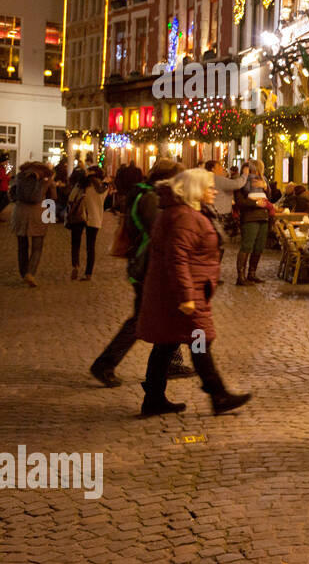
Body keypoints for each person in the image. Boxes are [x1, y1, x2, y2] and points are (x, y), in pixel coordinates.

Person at [136, 168, 251, 417]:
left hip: (179, 291)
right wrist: (186, 296)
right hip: (183, 294)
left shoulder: (184, 212)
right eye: (208, 187)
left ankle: (153, 398)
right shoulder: (185, 217)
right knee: (200, 341)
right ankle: (218, 394)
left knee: (166, 344)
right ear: (195, 190)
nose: (213, 190)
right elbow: (177, 259)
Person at [91, 160, 189, 387]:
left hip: (148, 264)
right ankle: (105, 364)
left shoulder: (148, 195)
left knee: (170, 315)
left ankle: (171, 362)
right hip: (148, 266)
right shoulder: (151, 199)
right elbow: (161, 231)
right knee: (140, 320)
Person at [11, 161, 55, 287]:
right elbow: (53, 198)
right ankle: (30, 273)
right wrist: (50, 217)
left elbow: (13, 193)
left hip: (20, 212)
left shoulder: (20, 177)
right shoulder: (46, 179)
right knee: (37, 246)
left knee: (22, 245)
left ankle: (23, 273)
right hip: (38, 213)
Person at [234, 159, 273, 285]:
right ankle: (240, 276)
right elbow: (240, 202)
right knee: (247, 246)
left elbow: (269, 197)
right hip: (250, 217)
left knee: (259, 247)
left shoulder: (263, 180)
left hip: (263, 217)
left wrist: (265, 187)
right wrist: (255, 203)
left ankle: (252, 273)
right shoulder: (241, 181)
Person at [66, 166, 107, 280]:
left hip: (79, 216)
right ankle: (88, 273)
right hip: (95, 217)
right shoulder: (104, 187)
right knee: (91, 247)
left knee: (75, 243)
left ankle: (76, 265)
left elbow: (71, 198)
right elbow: (106, 203)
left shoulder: (82, 184)